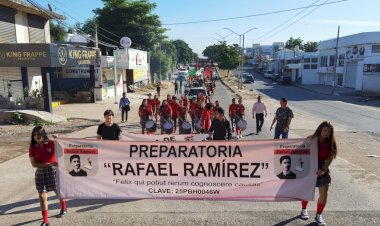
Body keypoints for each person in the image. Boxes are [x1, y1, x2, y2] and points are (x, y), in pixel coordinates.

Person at [300, 121, 337, 226]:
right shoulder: (310, 139)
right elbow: (301, 151)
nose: (326, 133)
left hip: (322, 170)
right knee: (306, 191)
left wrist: (324, 168)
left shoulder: (330, 143)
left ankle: (318, 215)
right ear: (320, 129)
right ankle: (303, 209)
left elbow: (330, 157)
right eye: (325, 130)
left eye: (329, 132)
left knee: (324, 194)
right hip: (309, 169)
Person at [28, 126, 67, 226]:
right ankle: (45, 221)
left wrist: (56, 140)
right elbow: (34, 164)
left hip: (53, 171)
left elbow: (63, 152)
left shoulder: (51, 143)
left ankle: (63, 207)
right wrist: (49, 164)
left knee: (58, 191)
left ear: (43, 134)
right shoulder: (32, 147)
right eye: (35, 135)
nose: (37, 137)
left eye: (39, 134)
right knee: (42, 196)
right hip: (41, 173)